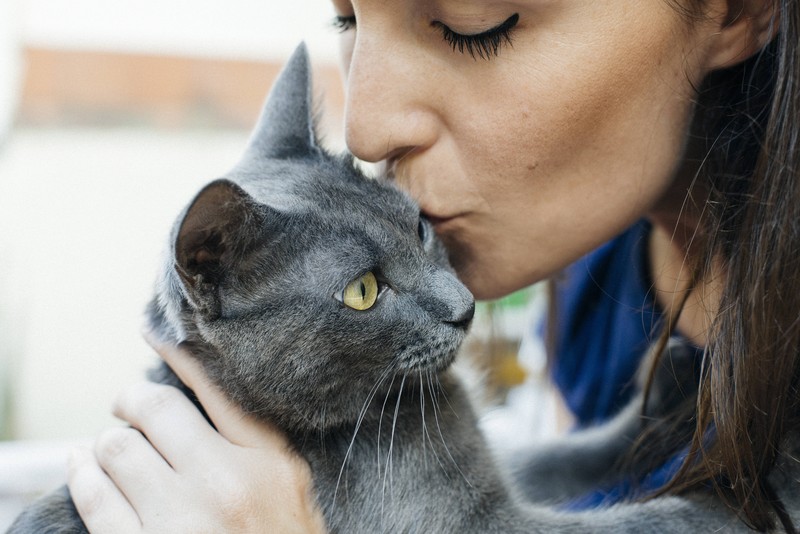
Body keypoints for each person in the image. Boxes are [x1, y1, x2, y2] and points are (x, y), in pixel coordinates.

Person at [65, 0, 799, 531]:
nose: (364, 125)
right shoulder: (596, 285)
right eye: (346, 18)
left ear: (734, 11)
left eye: (474, 25)